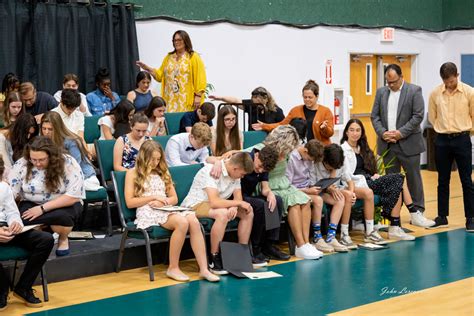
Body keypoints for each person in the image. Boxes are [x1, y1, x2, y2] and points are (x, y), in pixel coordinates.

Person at [124, 140, 219, 282]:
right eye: (152, 159)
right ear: (144, 157)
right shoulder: (132, 173)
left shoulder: (162, 172)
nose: (156, 162)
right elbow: (130, 202)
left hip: (164, 207)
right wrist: (153, 198)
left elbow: (174, 198)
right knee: (181, 222)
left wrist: (165, 201)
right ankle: (173, 268)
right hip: (147, 210)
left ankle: (204, 269)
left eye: (158, 159)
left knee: (193, 219)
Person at [249, 125, 322, 260]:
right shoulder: (262, 149)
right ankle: (299, 245)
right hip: (269, 185)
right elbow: (243, 153)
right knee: (293, 203)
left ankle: (306, 243)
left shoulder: (286, 153)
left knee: (305, 200)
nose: (289, 151)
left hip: (284, 184)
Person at [341, 119, 422, 240]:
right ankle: (412, 213)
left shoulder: (362, 148)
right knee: (399, 178)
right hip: (357, 183)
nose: (355, 133)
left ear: (361, 132)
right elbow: (346, 174)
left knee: (398, 184)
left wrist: (375, 175)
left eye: (358, 130)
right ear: (346, 132)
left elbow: (369, 169)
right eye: (351, 130)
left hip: (369, 181)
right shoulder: (342, 149)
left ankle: (395, 227)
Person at [8, 136, 85, 257]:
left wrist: (42, 209)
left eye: (42, 159)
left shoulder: (67, 162)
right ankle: (44, 235)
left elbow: (73, 195)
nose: (37, 163)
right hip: (31, 201)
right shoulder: (22, 163)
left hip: (62, 203)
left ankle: (63, 238)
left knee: (62, 218)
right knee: (20, 221)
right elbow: (12, 191)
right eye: (33, 159)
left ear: (51, 156)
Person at [181, 152, 254, 274]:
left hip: (219, 203)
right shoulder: (211, 171)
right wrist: (235, 204)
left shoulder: (235, 174)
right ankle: (214, 257)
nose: (242, 177)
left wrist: (235, 206)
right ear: (235, 168)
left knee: (248, 212)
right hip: (196, 204)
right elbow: (214, 202)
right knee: (222, 214)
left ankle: (242, 254)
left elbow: (238, 198)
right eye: (242, 174)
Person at [0, 156, 54, 310]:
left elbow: (12, 211)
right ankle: (2, 288)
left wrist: (15, 223)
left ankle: (23, 287)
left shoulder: (3, 187)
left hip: (7, 228)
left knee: (46, 239)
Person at [371, 64, 426, 213]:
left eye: (394, 81)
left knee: (413, 178)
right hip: (388, 144)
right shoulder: (381, 92)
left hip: (409, 143)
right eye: (388, 82)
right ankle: (392, 213)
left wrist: (401, 133)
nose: (391, 85)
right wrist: (383, 133)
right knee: (392, 181)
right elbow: (374, 116)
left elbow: (418, 116)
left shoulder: (414, 91)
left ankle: (418, 210)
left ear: (402, 77)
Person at [428, 62, 474, 231]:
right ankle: (442, 216)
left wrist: (465, 132)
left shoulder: (469, 92)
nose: (449, 84)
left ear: (457, 75)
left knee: (466, 180)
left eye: (452, 81)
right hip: (442, 140)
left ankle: (470, 218)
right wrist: (443, 131)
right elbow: (432, 117)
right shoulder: (435, 94)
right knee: (442, 180)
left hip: (462, 139)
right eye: (446, 81)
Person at [313, 144, 386, 248]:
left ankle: (369, 232)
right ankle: (344, 234)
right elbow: (316, 186)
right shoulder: (317, 163)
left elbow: (349, 181)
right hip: (322, 191)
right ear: (325, 160)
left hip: (337, 188)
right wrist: (330, 188)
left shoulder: (340, 161)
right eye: (330, 168)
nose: (332, 170)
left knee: (368, 192)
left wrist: (352, 194)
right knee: (346, 195)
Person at [286, 140, 348, 253]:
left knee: (340, 198)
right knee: (318, 200)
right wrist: (311, 189)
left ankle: (331, 236)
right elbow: (290, 184)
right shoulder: (298, 159)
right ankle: (317, 236)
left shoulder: (312, 158)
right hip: (304, 190)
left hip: (314, 189)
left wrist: (329, 186)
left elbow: (309, 179)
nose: (311, 162)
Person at [240, 145, 290, 262]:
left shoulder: (265, 164)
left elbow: (265, 188)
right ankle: (256, 247)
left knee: (276, 200)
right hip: (236, 196)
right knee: (260, 205)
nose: (261, 170)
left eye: (264, 170)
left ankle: (269, 244)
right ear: (257, 156)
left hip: (248, 196)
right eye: (260, 166)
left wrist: (270, 194)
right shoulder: (245, 158)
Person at [137, 30, 207, 112]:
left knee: (185, 122)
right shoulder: (169, 57)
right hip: (170, 100)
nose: (176, 42)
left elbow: (200, 77)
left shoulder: (193, 56)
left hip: (185, 100)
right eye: (174, 40)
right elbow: (159, 76)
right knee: (171, 122)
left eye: (179, 40)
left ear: (186, 40)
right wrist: (147, 68)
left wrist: (198, 96)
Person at [252, 80, 334, 145]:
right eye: (305, 97)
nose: (307, 100)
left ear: (317, 96)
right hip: (302, 151)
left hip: (320, 153)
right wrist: (264, 126)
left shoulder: (326, 111)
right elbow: (282, 125)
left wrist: (324, 128)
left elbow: (330, 133)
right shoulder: (295, 110)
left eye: (310, 97)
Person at [40, 112, 101, 191]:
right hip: (60, 178)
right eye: (44, 128)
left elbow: (75, 167)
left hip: (85, 178)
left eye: (50, 129)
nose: (46, 132)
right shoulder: (43, 141)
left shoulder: (71, 141)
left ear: (58, 128)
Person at [210, 87, 285, 130]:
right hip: (252, 138)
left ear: (266, 100)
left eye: (260, 104)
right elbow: (236, 100)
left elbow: (284, 126)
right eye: (255, 103)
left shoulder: (276, 111)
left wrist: (266, 127)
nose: (257, 106)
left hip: (269, 139)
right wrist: (221, 98)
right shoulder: (251, 105)